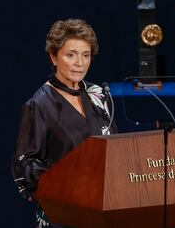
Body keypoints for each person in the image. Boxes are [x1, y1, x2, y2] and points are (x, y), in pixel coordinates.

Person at [11, 18, 116, 228]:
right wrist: (69, 185)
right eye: (71, 55)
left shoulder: (99, 95)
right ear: (53, 57)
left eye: (85, 55)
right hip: (62, 214)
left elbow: (113, 148)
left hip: (101, 210)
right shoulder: (39, 105)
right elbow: (25, 167)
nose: (80, 63)